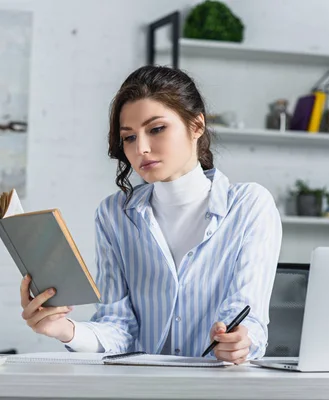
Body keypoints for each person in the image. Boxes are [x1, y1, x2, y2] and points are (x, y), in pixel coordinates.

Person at [20, 65, 282, 364]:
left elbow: (249, 320)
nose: (141, 148)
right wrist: (65, 330)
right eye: (129, 137)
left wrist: (240, 341)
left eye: (156, 129)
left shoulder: (249, 205)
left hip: (219, 386)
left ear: (196, 126)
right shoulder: (114, 214)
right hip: (140, 387)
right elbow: (118, 328)